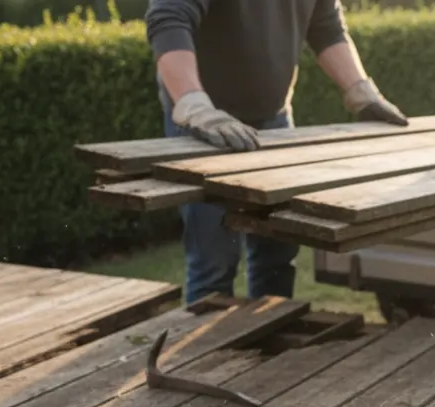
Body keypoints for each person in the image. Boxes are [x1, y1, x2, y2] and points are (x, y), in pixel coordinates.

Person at [145, 0, 408, 305]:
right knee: (214, 263)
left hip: (274, 119)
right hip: (205, 126)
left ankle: (271, 336)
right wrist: (193, 104)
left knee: (277, 255)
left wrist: (360, 91)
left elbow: (326, 27)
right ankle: (207, 338)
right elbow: (169, 19)